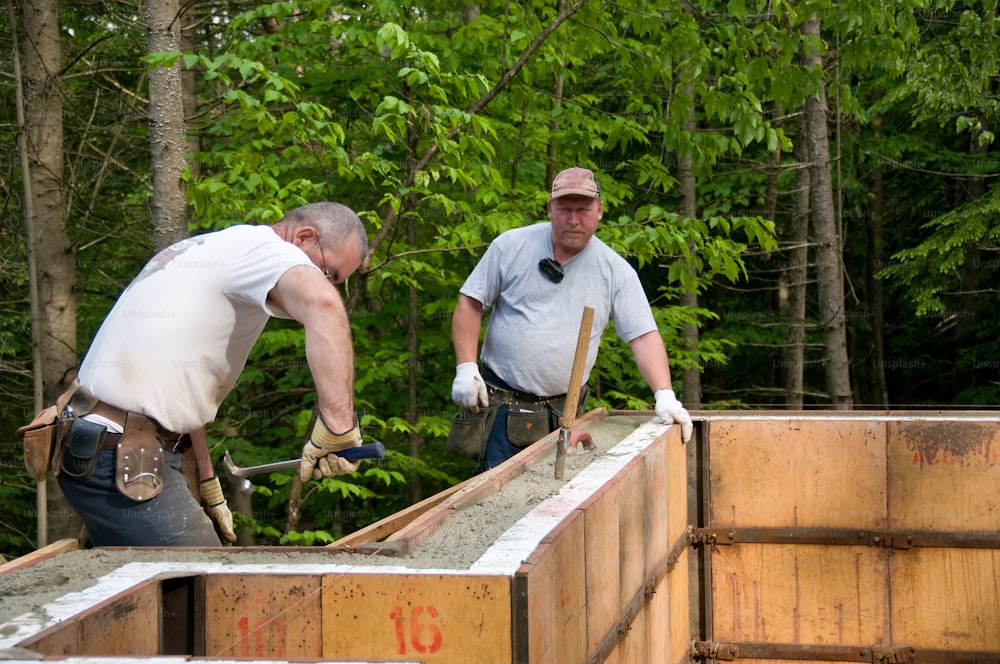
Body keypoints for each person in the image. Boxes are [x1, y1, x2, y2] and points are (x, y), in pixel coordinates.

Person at [54, 201, 369, 546]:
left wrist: (206, 480)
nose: (328, 286)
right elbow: (323, 305)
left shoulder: (215, 249)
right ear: (304, 237)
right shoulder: (267, 251)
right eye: (329, 274)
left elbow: (179, 382)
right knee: (206, 584)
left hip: (102, 441)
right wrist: (339, 426)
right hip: (116, 452)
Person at [450, 167, 693, 470]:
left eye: (583, 210)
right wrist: (466, 367)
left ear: (599, 211)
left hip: (564, 412)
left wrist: (664, 393)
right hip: (501, 406)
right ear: (550, 209)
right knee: (495, 499)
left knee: (556, 502)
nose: (574, 220)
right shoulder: (511, 247)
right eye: (565, 210)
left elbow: (642, 336)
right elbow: (470, 302)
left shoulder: (614, 271)